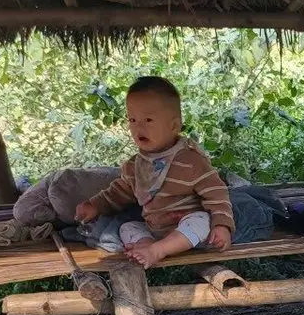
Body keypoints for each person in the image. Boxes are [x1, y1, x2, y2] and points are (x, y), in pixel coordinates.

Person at [75, 76, 234, 268]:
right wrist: (95, 205)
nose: (139, 127)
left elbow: (217, 193)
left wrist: (222, 225)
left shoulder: (191, 160)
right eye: (132, 120)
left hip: (186, 229)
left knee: (202, 221)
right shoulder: (135, 166)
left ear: (174, 126)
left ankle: (158, 250)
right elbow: (118, 193)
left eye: (148, 120)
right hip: (155, 229)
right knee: (127, 227)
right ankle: (147, 245)